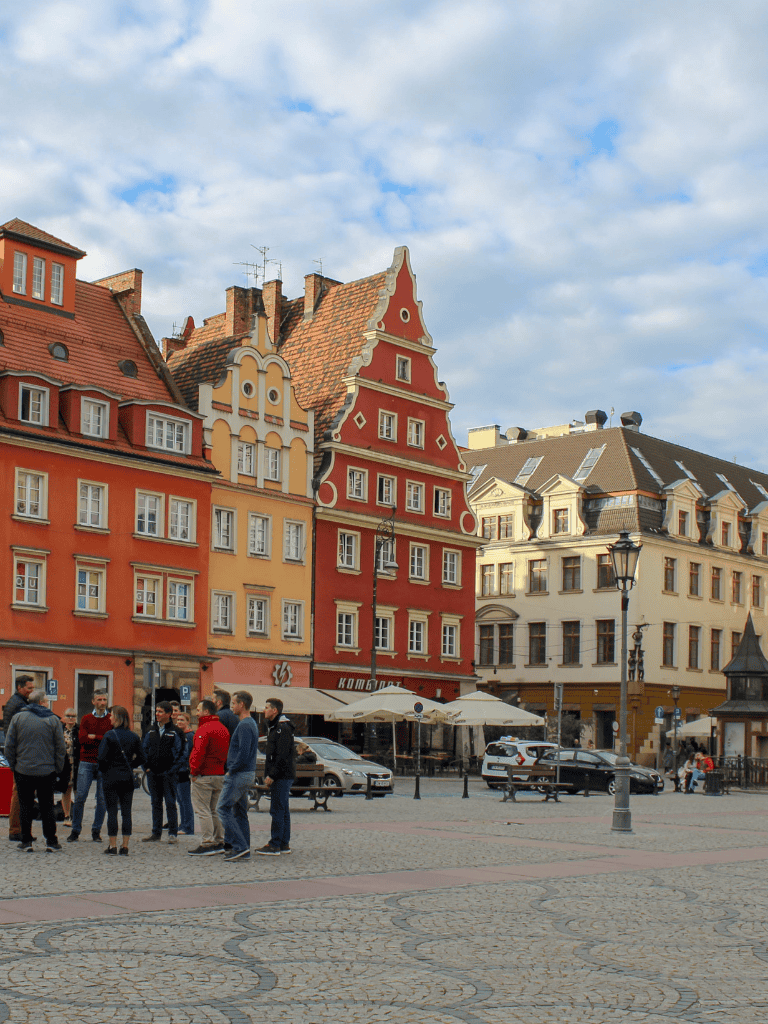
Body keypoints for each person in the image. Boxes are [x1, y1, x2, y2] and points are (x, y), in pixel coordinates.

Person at [4, 688, 65, 852]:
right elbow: (60, 748)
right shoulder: (53, 720)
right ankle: (51, 841)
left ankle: (26, 841)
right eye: (46, 701)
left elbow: (9, 746)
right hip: (47, 771)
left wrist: (14, 766)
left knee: (25, 806)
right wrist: (57, 768)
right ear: (41, 702)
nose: (48, 703)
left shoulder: (17, 718)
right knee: (47, 806)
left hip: (23, 770)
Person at [216, 691, 259, 862]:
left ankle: (240, 846)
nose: (232, 706)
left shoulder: (245, 725)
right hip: (245, 773)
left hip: (239, 774)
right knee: (240, 811)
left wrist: (231, 770)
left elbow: (243, 752)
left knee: (222, 808)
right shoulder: (250, 724)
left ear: (241, 705)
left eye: (234, 703)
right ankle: (243, 848)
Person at [97, 705, 145, 856]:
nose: (109, 718)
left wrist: (106, 769)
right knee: (126, 812)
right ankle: (125, 846)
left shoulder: (109, 736)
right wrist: (130, 765)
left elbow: (101, 759)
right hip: (127, 777)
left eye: (111, 715)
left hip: (111, 777)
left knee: (112, 812)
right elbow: (143, 758)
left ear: (117, 718)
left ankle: (112, 846)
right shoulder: (134, 736)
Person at [68, 691, 112, 843]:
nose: (102, 702)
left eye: (104, 699)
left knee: (102, 799)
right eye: (99, 699)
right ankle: (75, 830)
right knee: (80, 796)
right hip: (86, 761)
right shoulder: (86, 718)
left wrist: (95, 737)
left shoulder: (110, 719)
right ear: (93, 701)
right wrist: (101, 738)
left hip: (104, 763)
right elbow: (82, 739)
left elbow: (110, 739)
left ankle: (96, 830)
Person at [188, 699, 230, 855]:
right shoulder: (223, 729)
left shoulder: (204, 729)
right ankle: (220, 840)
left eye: (198, 709)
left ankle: (207, 842)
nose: (196, 712)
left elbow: (198, 753)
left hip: (204, 775)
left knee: (203, 810)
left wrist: (193, 771)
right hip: (219, 773)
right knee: (215, 810)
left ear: (206, 712)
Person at [256, 697, 296, 857]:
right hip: (283, 775)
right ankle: (284, 843)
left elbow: (282, 755)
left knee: (277, 810)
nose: (264, 710)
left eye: (267, 707)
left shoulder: (281, 728)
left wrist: (272, 775)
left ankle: (275, 844)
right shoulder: (276, 727)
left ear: (275, 710)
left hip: (281, 776)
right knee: (283, 809)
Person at [142, 701, 184, 843]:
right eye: (157, 711)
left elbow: (182, 753)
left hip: (168, 774)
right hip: (153, 773)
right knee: (155, 803)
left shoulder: (176, 732)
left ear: (168, 714)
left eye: (160, 712)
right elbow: (144, 749)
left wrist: (172, 770)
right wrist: (146, 767)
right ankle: (156, 832)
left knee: (170, 803)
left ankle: (173, 833)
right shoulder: (151, 730)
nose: (157, 714)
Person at [3, 674, 35, 841]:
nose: (31, 691)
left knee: (22, 793)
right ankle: (16, 830)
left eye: (32, 688)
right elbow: (12, 734)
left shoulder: (17, 702)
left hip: (18, 754)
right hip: (19, 755)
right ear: (20, 687)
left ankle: (20, 829)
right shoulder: (18, 704)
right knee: (19, 793)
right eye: (29, 688)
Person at [175, 711, 195, 836]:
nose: (179, 722)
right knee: (180, 799)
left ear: (188, 722)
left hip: (184, 770)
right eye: (178, 720)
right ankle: (183, 824)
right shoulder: (179, 734)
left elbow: (188, 753)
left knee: (185, 799)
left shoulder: (190, 736)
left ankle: (188, 826)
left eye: (182, 720)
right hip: (177, 770)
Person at [59, 708, 79, 825]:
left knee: (78, 792)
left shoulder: (80, 729)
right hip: (64, 765)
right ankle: (67, 816)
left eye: (73, 716)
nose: (71, 718)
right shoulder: (60, 730)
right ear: (64, 717)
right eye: (68, 715)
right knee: (66, 790)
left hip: (77, 764)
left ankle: (76, 817)